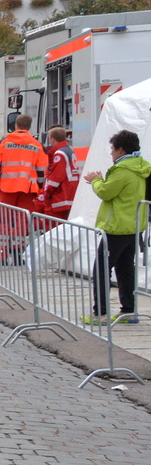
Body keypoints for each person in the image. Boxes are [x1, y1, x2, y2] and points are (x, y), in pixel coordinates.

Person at [83, 129, 150, 326]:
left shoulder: (122, 170)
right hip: (135, 225)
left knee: (101, 270)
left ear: (121, 150)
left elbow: (106, 192)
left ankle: (101, 313)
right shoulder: (143, 166)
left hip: (117, 226)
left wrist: (95, 180)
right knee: (125, 269)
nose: (111, 153)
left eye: (112, 149)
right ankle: (128, 311)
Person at [0, 114, 49, 255]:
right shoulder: (36, 145)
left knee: (4, 221)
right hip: (27, 189)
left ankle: (3, 253)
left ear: (16, 125)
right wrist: (40, 188)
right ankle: (18, 252)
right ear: (29, 127)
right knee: (22, 220)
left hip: (6, 187)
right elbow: (42, 170)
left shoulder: (4, 143)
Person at [43, 127, 79, 222]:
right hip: (69, 195)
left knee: (54, 229)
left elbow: (56, 178)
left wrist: (47, 191)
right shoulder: (69, 150)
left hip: (60, 197)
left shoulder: (59, 154)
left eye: (49, 138)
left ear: (53, 139)